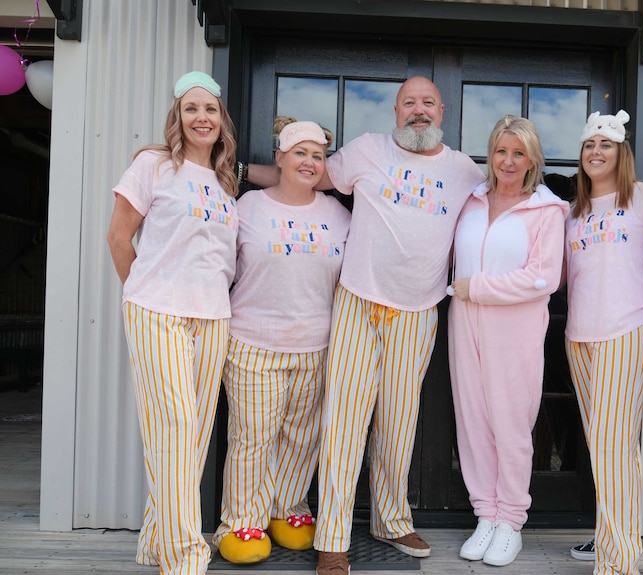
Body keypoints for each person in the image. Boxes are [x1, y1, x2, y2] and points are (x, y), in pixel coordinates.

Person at [249, 76, 485, 575]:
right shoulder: (365, 150)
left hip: (420, 311)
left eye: (427, 103)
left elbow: (497, 215)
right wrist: (230, 173)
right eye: (409, 104)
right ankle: (333, 536)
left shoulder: (464, 170)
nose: (418, 111)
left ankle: (391, 518)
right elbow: (302, 176)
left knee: (399, 423)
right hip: (359, 304)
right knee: (344, 422)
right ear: (395, 109)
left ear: (442, 110)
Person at [106, 71, 238, 574]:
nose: (201, 118)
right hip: (158, 311)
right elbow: (119, 238)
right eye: (191, 109)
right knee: (176, 428)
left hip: (213, 317)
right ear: (178, 119)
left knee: (189, 439)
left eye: (210, 110)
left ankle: (155, 543)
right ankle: (185, 559)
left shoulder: (226, 182)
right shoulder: (154, 164)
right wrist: (140, 295)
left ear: (221, 120)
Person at [212, 118, 351, 564]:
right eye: (300, 153)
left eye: (318, 156)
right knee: (253, 436)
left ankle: (287, 508)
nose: (309, 163)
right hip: (253, 342)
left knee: (301, 436)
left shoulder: (338, 215)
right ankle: (241, 520)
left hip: (316, 345)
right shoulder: (247, 206)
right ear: (280, 158)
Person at [447, 115, 568, 567]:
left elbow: (543, 278)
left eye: (519, 152)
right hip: (464, 323)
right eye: (501, 151)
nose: (509, 161)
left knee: (511, 424)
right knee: (473, 420)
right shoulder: (471, 202)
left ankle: (511, 520)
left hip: (513, 329)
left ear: (533, 157)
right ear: (490, 154)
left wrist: (476, 288)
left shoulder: (547, 211)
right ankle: (486, 514)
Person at [564, 110, 643, 574]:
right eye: (589, 146)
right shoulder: (574, 213)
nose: (596, 152)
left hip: (626, 331)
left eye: (606, 145)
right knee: (601, 444)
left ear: (621, 154)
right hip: (579, 337)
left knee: (613, 444)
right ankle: (612, 535)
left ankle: (618, 561)